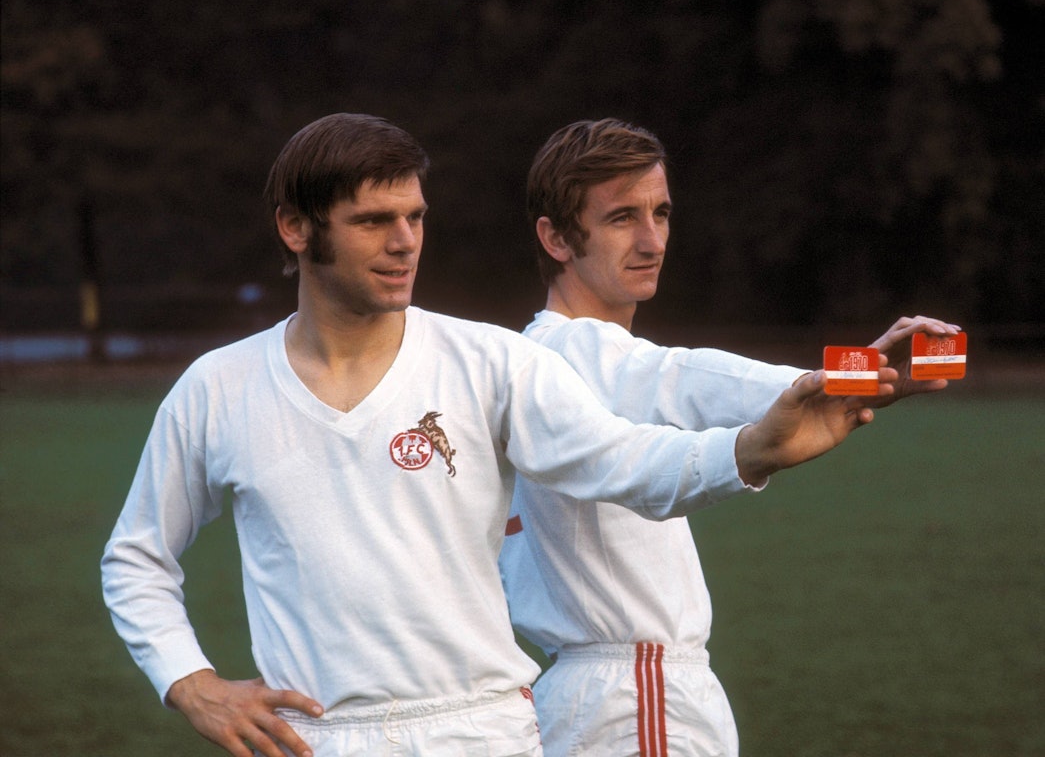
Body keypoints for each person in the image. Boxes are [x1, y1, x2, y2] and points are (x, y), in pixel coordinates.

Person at [102, 113, 903, 757]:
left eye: (414, 216)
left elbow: (623, 459)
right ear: (295, 228)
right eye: (373, 220)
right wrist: (191, 682)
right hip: (313, 739)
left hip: (480, 730)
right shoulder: (218, 388)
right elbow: (137, 557)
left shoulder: (491, 362)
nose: (404, 240)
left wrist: (750, 449)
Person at [499, 118, 961, 757]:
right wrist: (824, 379)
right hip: (637, 697)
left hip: (609, 697)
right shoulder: (566, 349)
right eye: (621, 218)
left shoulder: (531, 367)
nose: (651, 238)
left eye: (660, 213)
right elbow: (675, 377)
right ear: (554, 238)